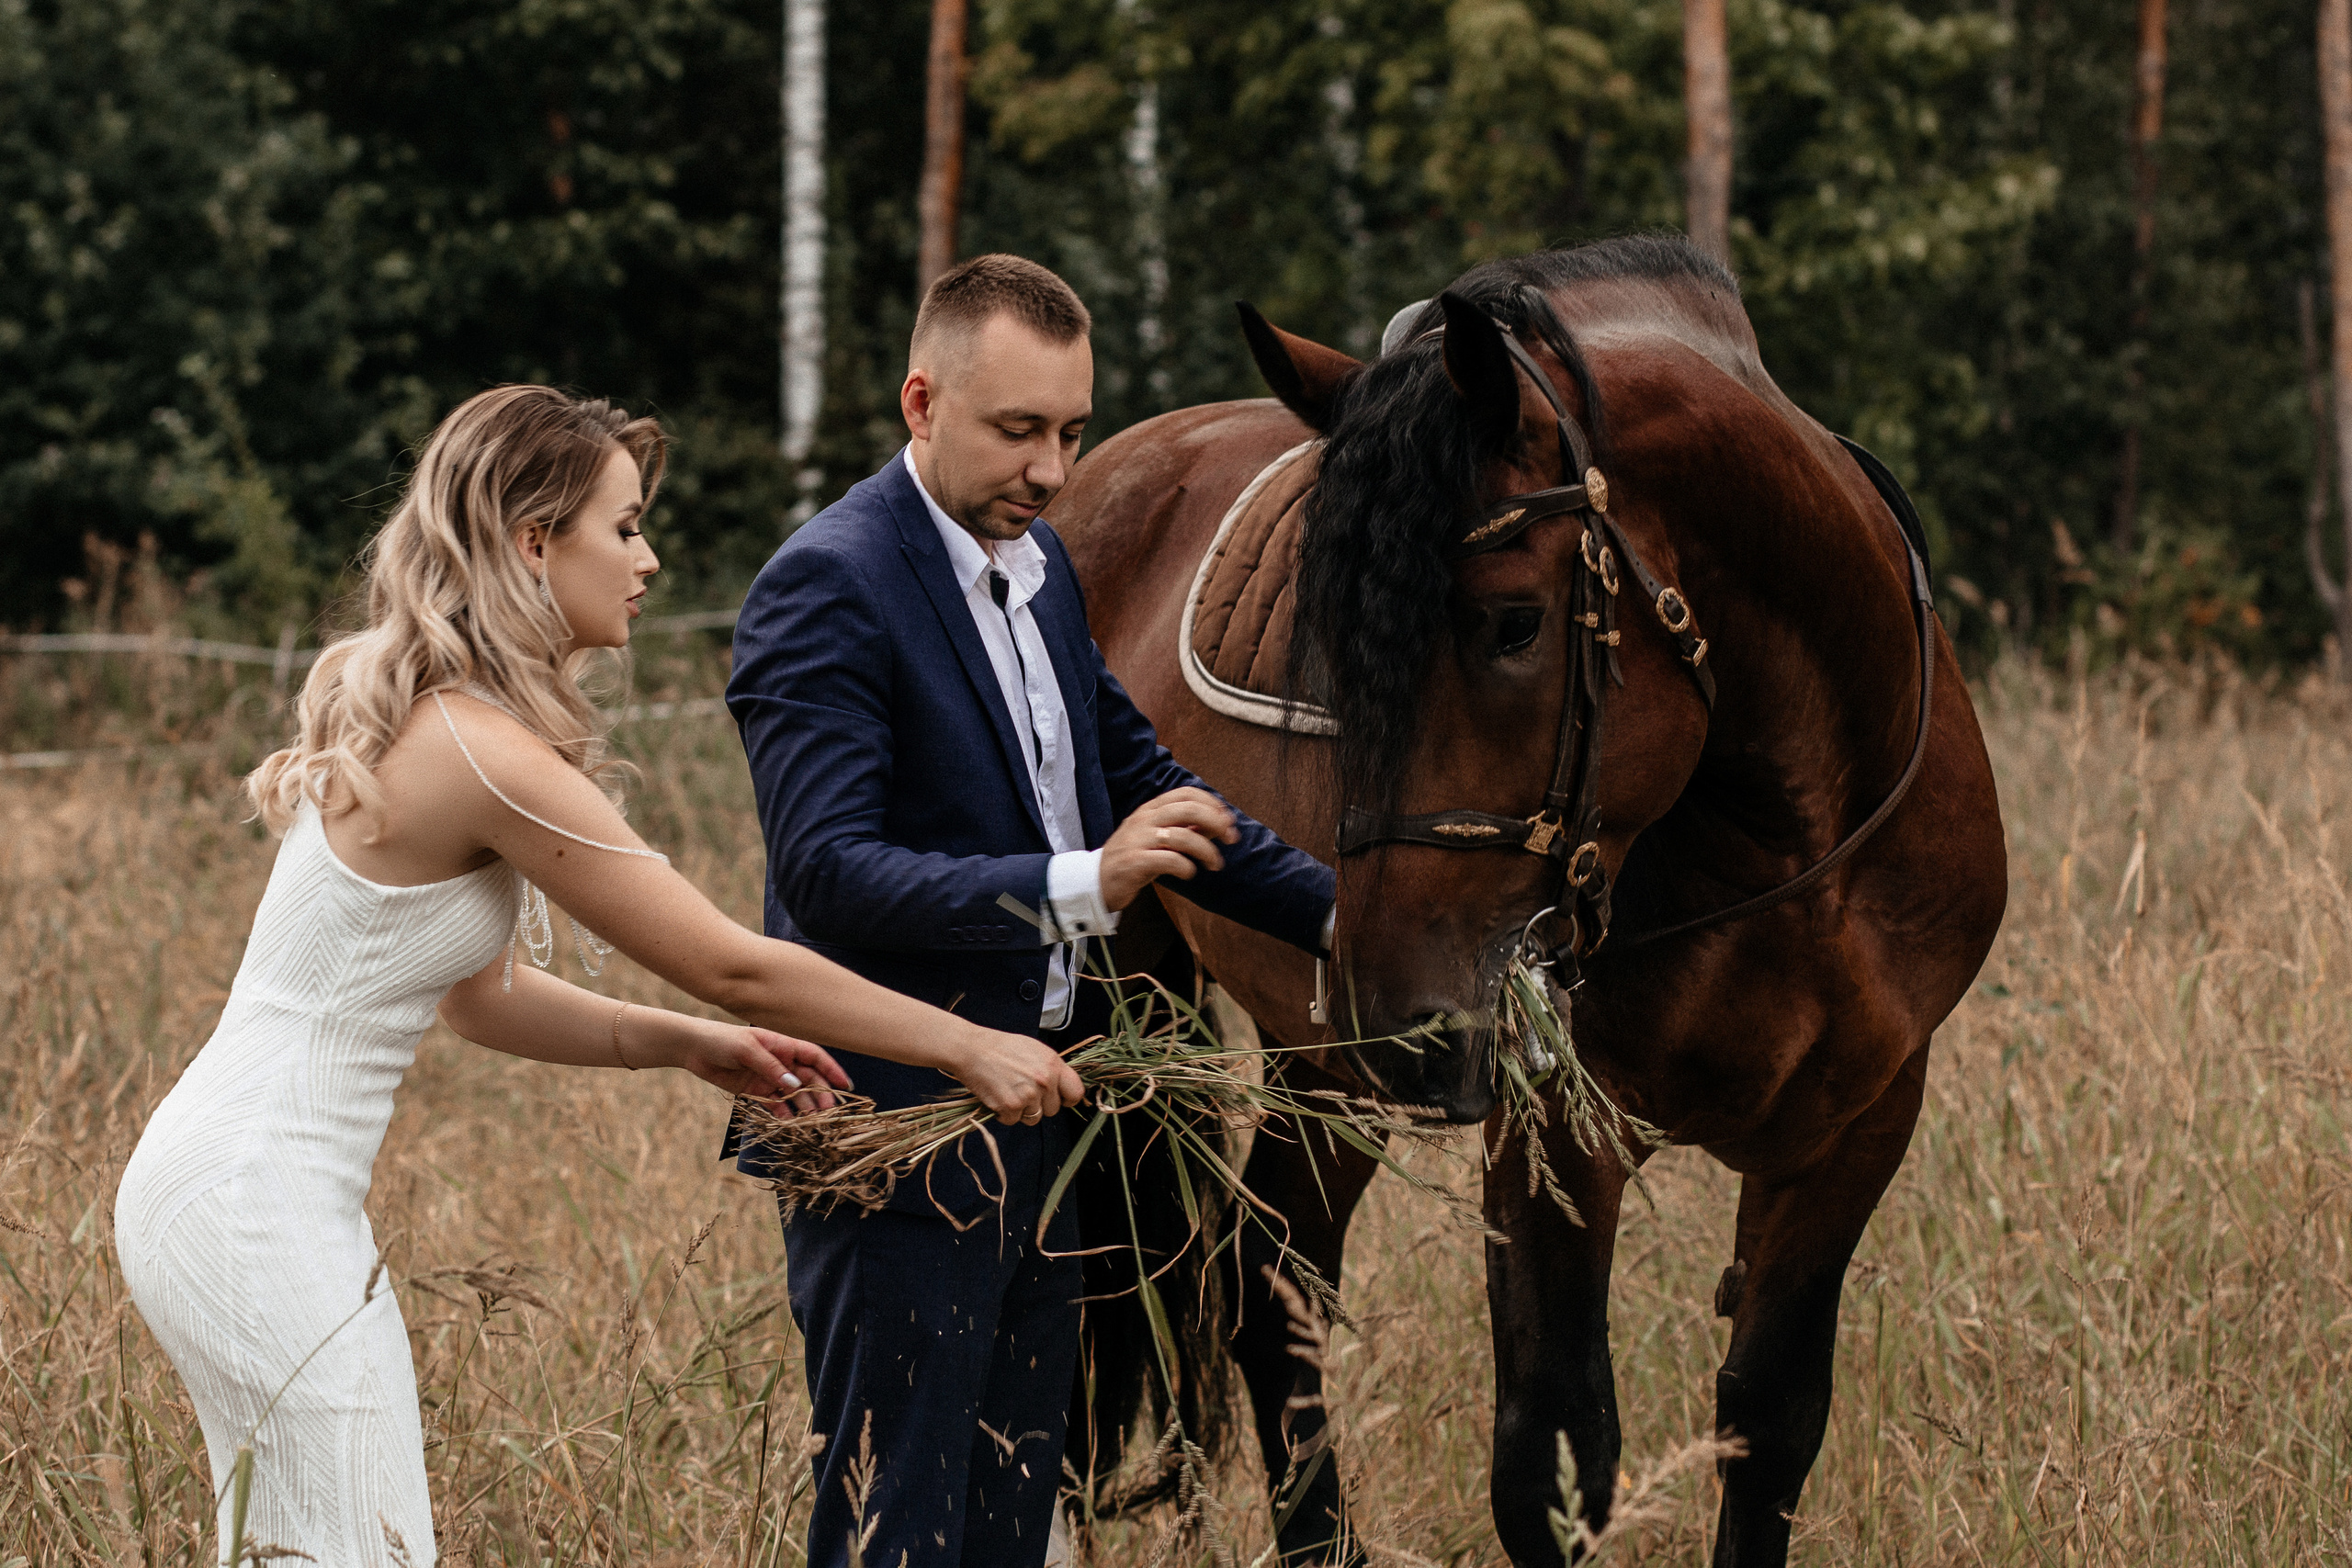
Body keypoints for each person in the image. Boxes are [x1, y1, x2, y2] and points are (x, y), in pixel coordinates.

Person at [113, 384, 1079, 1568]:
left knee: (296, 1545)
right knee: (362, 1546)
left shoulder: (448, 725)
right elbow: (735, 961)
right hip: (252, 1201)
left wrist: (677, 1042)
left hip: (227, 1189)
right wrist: (965, 1045)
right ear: (533, 543)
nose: (650, 559)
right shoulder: (479, 749)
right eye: (623, 528)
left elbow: (475, 995)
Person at [724, 254, 1338, 1568]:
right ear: (921, 401)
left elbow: (1156, 790)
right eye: (1018, 432)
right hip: (894, 1126)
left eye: (1070, 431)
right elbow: (827, 871)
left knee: (1017, 1518)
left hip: (1044, 1120)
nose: (1053, 469)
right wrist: (1085, 885)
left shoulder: (1044, 569)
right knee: (898, 1527)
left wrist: (1356, 924)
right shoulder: (826, 584)